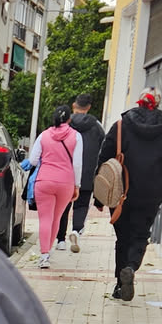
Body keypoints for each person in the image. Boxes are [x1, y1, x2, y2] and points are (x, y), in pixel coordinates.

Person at [98, 88, 162, 301]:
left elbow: (105, 156)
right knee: (140, 234)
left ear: (139, 101)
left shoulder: (121, 126)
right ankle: (131, 267)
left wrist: (98, 196)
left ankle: (120, 284)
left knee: (123, 237)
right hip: (151, 192)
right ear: (158, 103)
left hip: (121, 190)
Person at [26, 106, 81, 268]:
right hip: (66, 182)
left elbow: (33, 160)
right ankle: (48, 252)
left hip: (44, 181)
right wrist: (77, 185)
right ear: (69, 119)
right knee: (56, 218)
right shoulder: (76, 136)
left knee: (45, 219)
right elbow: (77, 164)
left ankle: (43, 256)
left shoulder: (43, 135)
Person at [57, 92, 105, 253]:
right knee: (82, 205)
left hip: (65, 173)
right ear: (89, 107)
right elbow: (104, 149)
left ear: (74, 105)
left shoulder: (65, 123)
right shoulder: (97, 126)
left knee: (63, 206)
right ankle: (76, 230)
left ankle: (60, 240)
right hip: (87, 174)